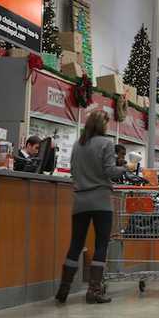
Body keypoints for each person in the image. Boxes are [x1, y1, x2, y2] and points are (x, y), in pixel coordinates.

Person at [55, 111, 133, 304]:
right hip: (101, 201)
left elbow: (73, 170)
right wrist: (127, 168)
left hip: (80, 200)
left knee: (75, 244)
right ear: (101, 125)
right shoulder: (105, 143)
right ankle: (94, 291)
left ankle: (64, 289)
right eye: (106, 123)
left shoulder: (77, 144)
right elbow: (109, 171)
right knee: (100, 245)